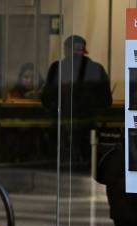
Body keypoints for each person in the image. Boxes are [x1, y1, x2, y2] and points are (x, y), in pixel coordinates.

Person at [42, 35, 112, 168]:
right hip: (88, 128)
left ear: (66, 50)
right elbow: (106, 102)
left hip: (62, 129)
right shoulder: (96, 69)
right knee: (86, 166)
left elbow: (46, 99)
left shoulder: (57, 68)